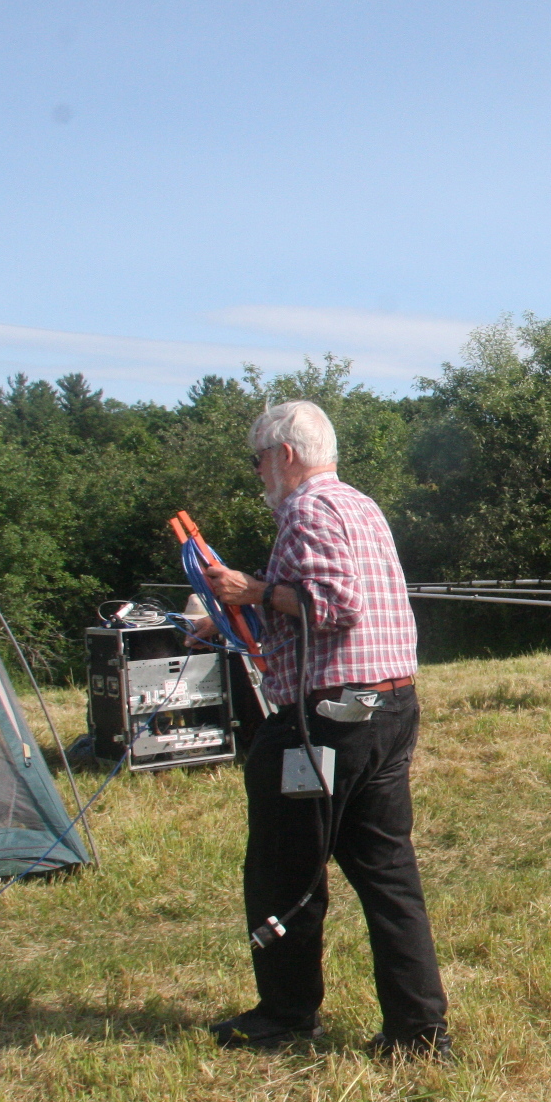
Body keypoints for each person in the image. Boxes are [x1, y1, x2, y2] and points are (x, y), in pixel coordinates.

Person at [194, 400, 449, 1058]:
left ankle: (286, 1015)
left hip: (329, 721)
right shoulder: (360, 505)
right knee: (388, 873)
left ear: (284, 454)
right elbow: (328, 604)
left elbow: (334, 606)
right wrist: (230, 616)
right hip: (387, 709)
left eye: (258, 460)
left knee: (284, 871)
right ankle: (419, 1032)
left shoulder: (306, 510)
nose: (258, 474)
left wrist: (252, 591)